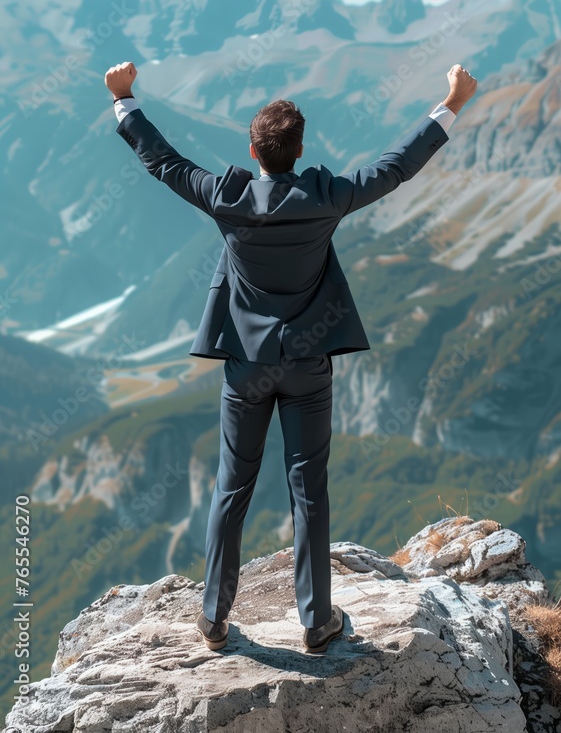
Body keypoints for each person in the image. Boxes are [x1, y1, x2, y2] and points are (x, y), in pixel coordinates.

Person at [105, 60, 477, 653]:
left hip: (246, 367)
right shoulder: (325, 196)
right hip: (308, 367)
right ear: (300, 149)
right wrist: (451, 102)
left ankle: (213, 618)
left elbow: (165, 163)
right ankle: (315, 621)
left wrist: (124, 101)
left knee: (232, 488)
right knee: (310, 490)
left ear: (253, 149)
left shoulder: (227, 197)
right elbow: (396, 167)